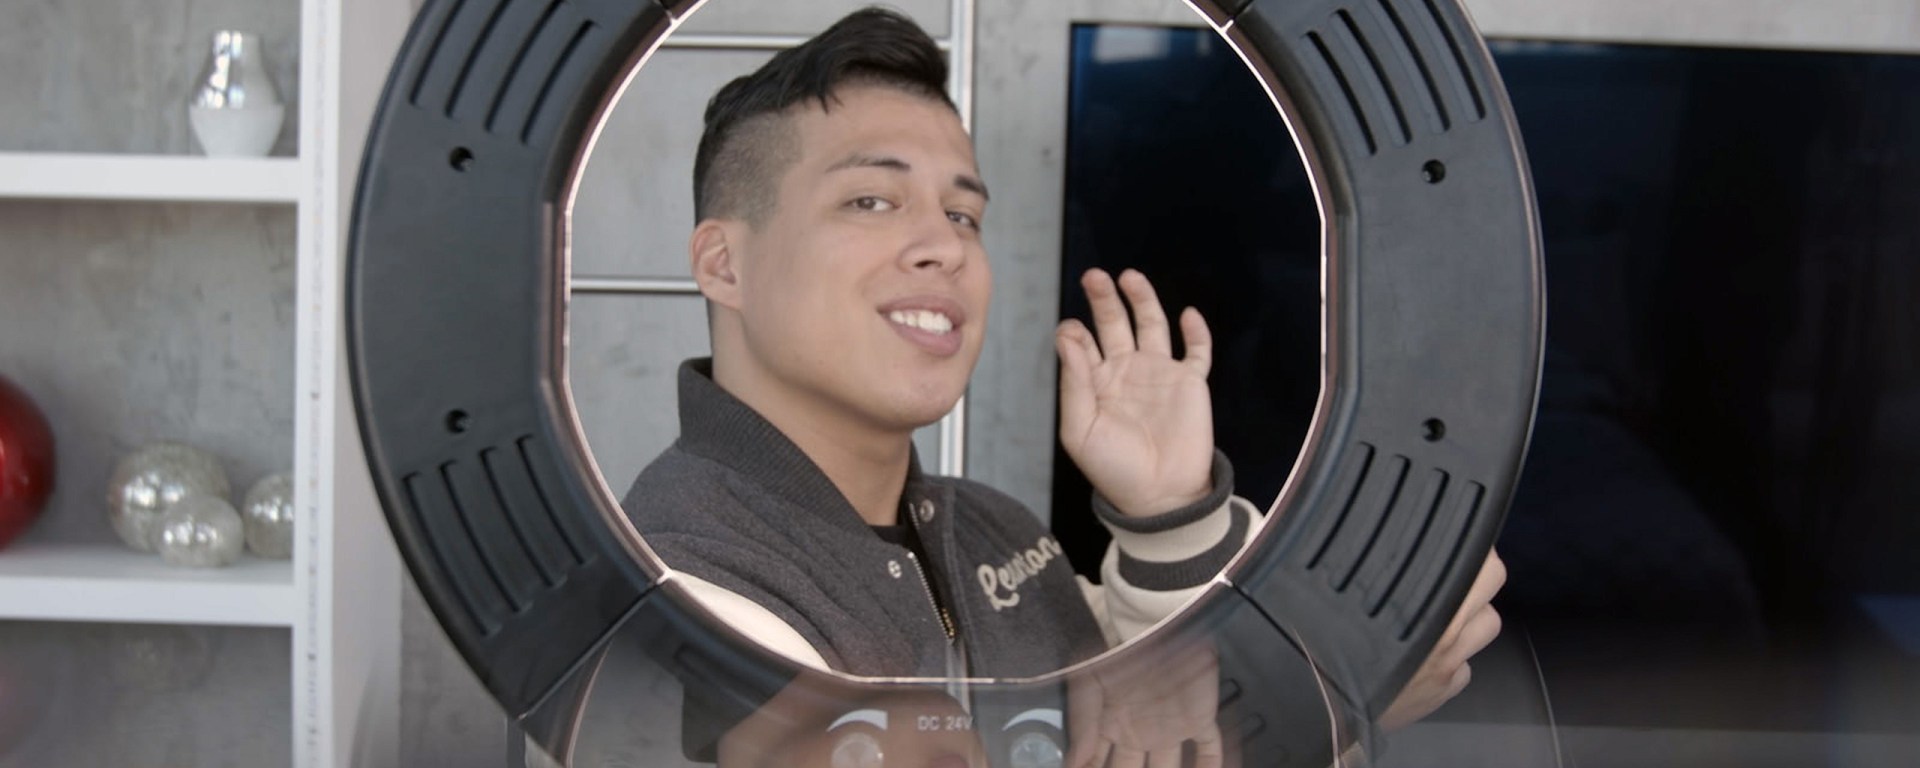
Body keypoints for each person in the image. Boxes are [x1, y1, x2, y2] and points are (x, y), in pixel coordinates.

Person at [619, 6, 1503, 761]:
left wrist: (1172, 518)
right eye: (871, 201)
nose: (945, 245)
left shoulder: (997, 532)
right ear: (723, 263)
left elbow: (1174, 713)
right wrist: (1336, 699)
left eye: (963, 213)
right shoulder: (678, 584)